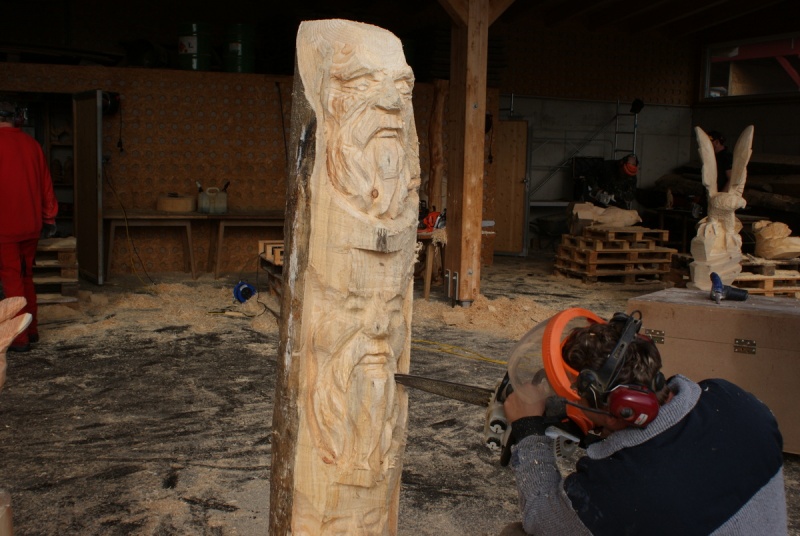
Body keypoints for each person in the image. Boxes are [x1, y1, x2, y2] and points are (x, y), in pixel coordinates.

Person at [502, 314, 787, 536]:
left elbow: (541, 516)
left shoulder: (616, 490)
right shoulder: (735, 399)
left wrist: (529, 428)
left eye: (575, 394)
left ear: (619, 411)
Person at [0, 98, 59, 352]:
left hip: (5, 225)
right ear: (16, 119)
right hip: (31, 225)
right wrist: (49, 217)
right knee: (26, 276)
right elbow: (46, 185)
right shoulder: (33, 145)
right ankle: (32, 330)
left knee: (11, 278)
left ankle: (19, 338)